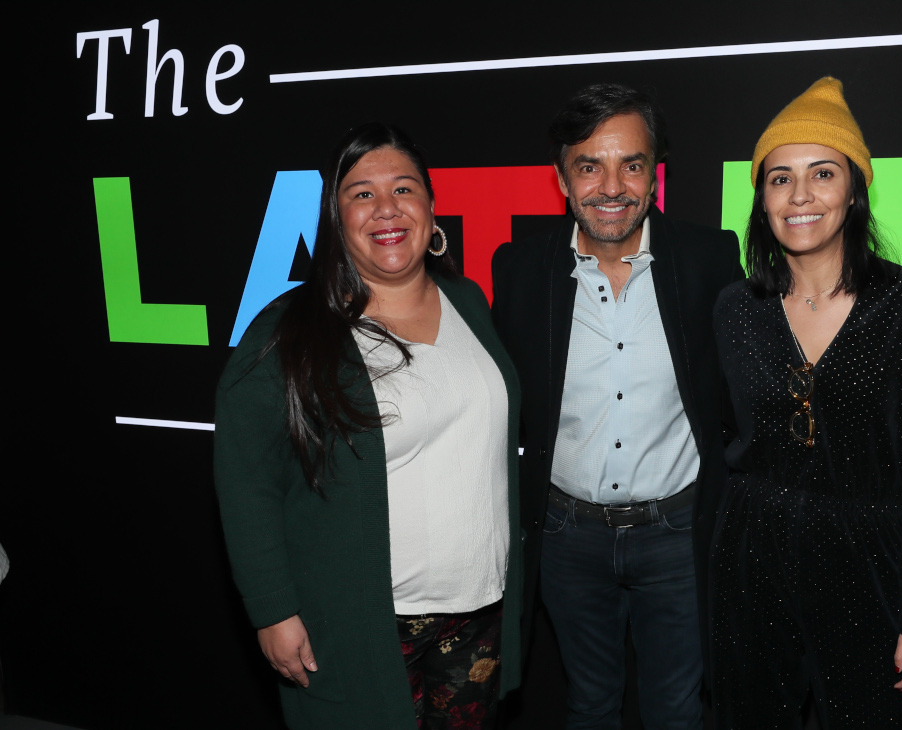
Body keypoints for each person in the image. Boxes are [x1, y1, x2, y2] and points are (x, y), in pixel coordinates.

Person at [214, 122, 523, 729]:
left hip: (479, 613)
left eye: (404, 189)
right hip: (363, 624)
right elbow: (246, 481)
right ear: (336, 216)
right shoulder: (288, 332)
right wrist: (273, 611)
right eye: (362, 193)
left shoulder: (470, 302)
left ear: (431, 207)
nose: (387, 208)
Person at [491, 83, 742, 728]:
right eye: (589, 165)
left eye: (631, 164)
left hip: (678, 534)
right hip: (568, 538)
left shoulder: (710, 258)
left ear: (654, 173)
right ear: (561, 178)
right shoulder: (520, 268)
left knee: (677, 711)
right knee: (590, 704)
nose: (611, 186)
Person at [710, 77, 902, 728]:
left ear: (854, 190)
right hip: (750, 560)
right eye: (779, 178)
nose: (800, 196)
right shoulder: (736, 310)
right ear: (761, 198)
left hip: (869, 562)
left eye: (822, 173)